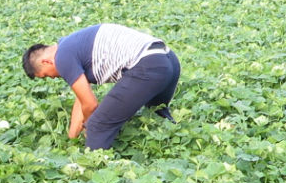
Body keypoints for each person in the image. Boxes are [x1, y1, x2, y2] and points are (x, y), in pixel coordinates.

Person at [22, 23, 180, 150]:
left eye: (47, 75)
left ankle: (94, 174)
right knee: (157, 115)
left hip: (148, 65)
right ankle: (174, 150)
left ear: (46, 62)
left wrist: (89, 129)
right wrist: (72, 138)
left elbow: (90, 105)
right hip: (167, 60)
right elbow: (82, 99)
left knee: (97, 126)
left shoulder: (62, 57)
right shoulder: (71, 45)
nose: (53, 77)